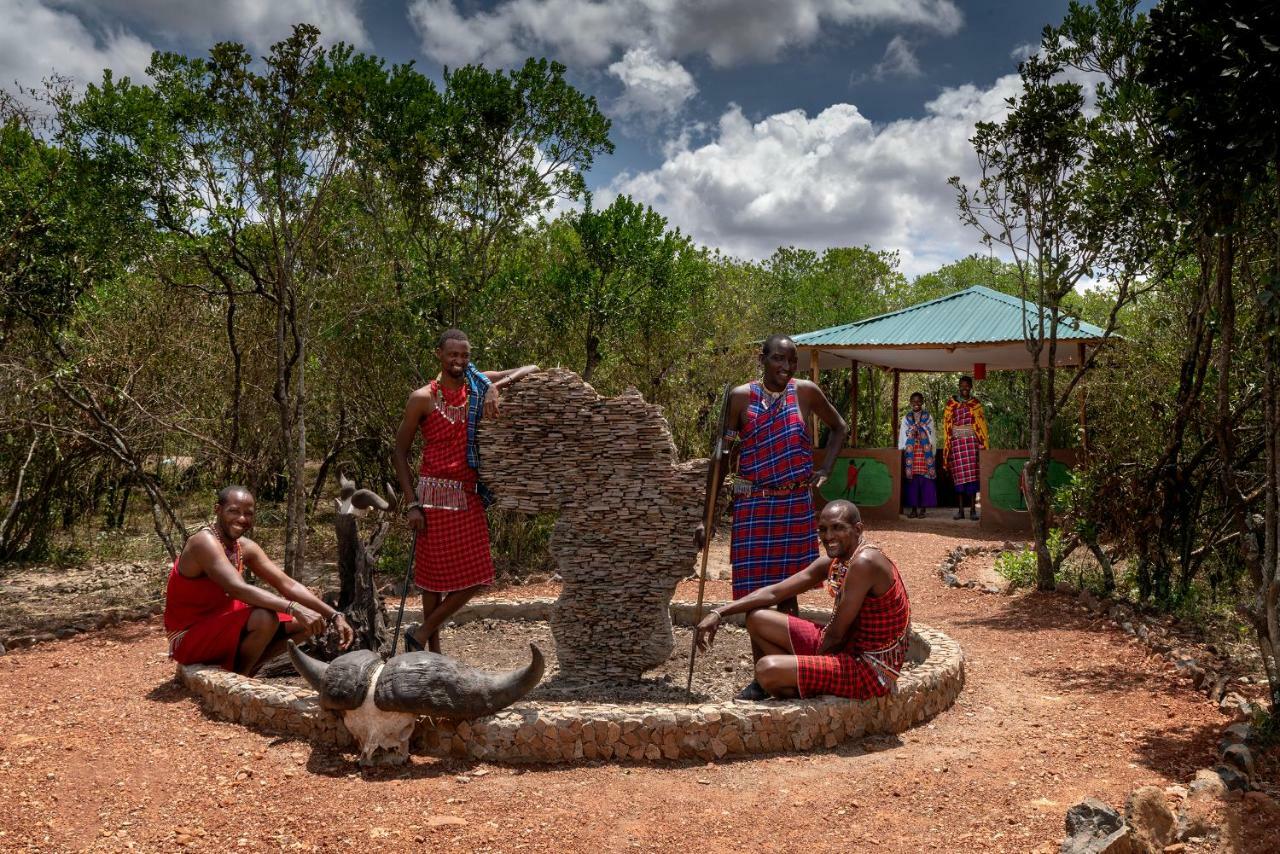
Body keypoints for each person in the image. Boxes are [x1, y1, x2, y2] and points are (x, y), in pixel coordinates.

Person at [392, 329, 538, 653]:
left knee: (480, 574)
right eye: (452, 355)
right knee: (432, 581)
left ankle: (422, 631)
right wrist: (411, 504)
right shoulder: (422, 398)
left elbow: (531, 370)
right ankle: (432, 654)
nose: (458, 361)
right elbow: (399, 452)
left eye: (464, 355)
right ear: (439, 355)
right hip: (431, 496)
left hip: (467, 493)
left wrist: (493, 389)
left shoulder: (477, 385)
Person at [694, 500, 910, 701]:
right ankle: (796, 678)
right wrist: (719, 612)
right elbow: (775, 593)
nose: (828, 536)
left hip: (868, 668)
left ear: (858, 529)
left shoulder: (864, 562)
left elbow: (835, 636)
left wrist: (810, 665)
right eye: (823, 530)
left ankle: (797, 686)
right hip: (844, 648)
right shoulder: (839, 558)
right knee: (757, 618)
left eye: (837, 528)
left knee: (766, 669)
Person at [694, 334, 848, 614]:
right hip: (753, 505)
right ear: (761, 359)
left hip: (794, 505)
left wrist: (826, 468)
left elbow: (840, 427)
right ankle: (763, 659)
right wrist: (707, 518)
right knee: (754, 599)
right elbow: (722, 456)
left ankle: (786, 658)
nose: (786, 366)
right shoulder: (740, 398)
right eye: (778, 358)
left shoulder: (805, 392)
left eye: (792, 361)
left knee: (789, 596)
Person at [164, 486, 353, 675]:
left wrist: (333, 615)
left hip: (221, 627)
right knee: (264, 618)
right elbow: (237, 588)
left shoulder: (244, 547)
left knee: (310, 623)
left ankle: (244, 670)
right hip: (188, 638)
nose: (241, 519)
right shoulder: (203, 542)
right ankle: (239, 678)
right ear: (217, 510)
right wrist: (293, 607)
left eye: (248, 513)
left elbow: (287, 584)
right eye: (234, 511)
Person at [942, 376, 988, 520]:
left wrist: (982, 443)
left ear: (971, 387)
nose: (965, 388)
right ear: (959, 386)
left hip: (971, 444)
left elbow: (981, 425)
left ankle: (973, 510)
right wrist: (948, 444)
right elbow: (946, 424)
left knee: (972, 479)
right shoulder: (951, 404)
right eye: (962, 385)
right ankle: (961, 510)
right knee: (959, 478)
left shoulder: (976, 404)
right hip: (956, 444)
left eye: (967, 385)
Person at [898, 392, 937, 518]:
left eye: (919, 401)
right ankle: (913, 509)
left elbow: (931, 434)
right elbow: (903, 436)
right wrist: (912, 430)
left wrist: (922, 428)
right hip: (912, 454)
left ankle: (923, 509)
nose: (916, 404)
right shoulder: (906, 418)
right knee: (912, 481)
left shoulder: (928, 417)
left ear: (922, 402)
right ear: (910, 402)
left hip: (925, 454)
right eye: (913, 401)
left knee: (924, 481)